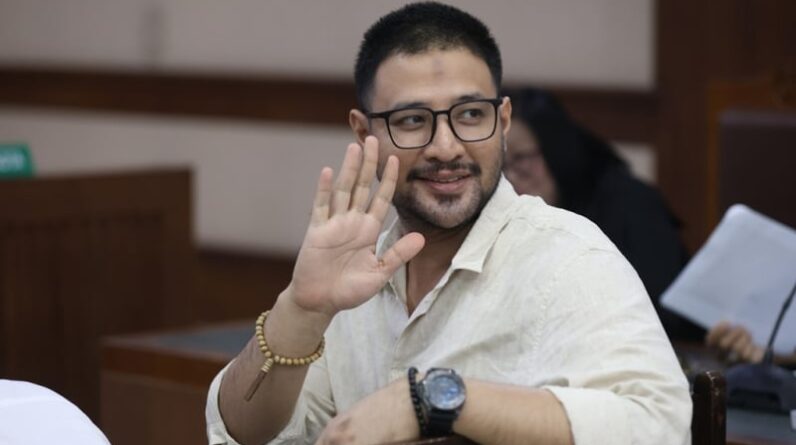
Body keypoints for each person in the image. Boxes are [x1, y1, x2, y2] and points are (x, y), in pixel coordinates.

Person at [206, 3, 691, 445]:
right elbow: (239, 435)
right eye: (413, 120)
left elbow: (660, 427)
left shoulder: (568, 259)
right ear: (364, 131)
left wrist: (431, 401)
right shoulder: (353, 275)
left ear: (503, 121)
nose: (446, 147)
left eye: (471, 114)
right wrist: (301, 309)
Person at [504, 87, 704, 342]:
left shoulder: (631, 202)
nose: (511, 177)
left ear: (557, 151)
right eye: (501, 166)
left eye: (521, 159)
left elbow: (662, 315)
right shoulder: (516, 215)